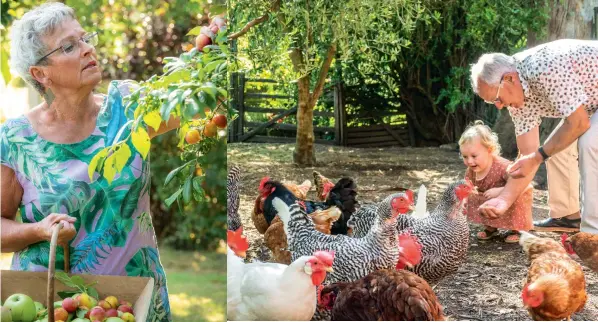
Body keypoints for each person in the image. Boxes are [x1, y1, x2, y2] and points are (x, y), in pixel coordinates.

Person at [1, 3, 181, 321]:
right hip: (53, 307)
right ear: (40, 73)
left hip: (134, 301)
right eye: (70, 46)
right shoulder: (15, 139)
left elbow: (190, 105)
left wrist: (208, 43)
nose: (87, 50)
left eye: (85, 39)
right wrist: (38, 230)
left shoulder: (127, 107)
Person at [469, 39, 598, 234]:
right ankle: (568, 217)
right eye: (492, 102)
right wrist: (504, 199)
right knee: (555, 148)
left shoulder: (545, 68)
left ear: (509, 79)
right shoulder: (516, 95)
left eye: (496, 98)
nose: (499, 106)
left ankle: (592, 232)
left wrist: (538, 156)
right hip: (591, 98)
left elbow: (579, 123)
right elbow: (529, 154)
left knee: (589, 143)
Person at [459, 121, 533, 243]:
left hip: (511, 198)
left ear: (489, 150)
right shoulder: (472, 170)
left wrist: (501, 191)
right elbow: (467, 184)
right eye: (465, 157)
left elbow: (524, 184)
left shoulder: (503, 166)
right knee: (474, 197)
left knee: (517, 197)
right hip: (492, 201)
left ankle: (517, 230)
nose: (470, 161)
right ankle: (491, 227)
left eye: (474, 156)